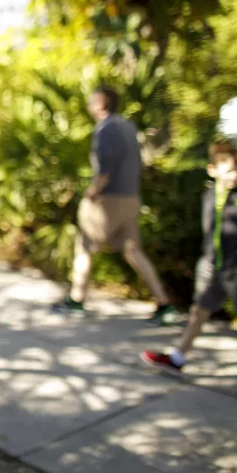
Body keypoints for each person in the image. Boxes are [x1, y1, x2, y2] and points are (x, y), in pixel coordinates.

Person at [140, 142, 237, 402]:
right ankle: (178, 357)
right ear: (212, 170)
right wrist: (205, 263)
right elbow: (210, 234)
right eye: (228, 170)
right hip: (212, 268)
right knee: (199, 312)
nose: (234, 175)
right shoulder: (208, 197)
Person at [50, 85, 177, 324]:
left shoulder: (106, 128)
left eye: (91, 101)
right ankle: (164, 303)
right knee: (133, 251)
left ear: (100, 102)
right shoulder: (128, 126)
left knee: (84, 247)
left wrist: (92, 192)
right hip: (131, 196)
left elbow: (105, 167)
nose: (88, 106)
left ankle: (76, 300)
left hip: (109, 199)